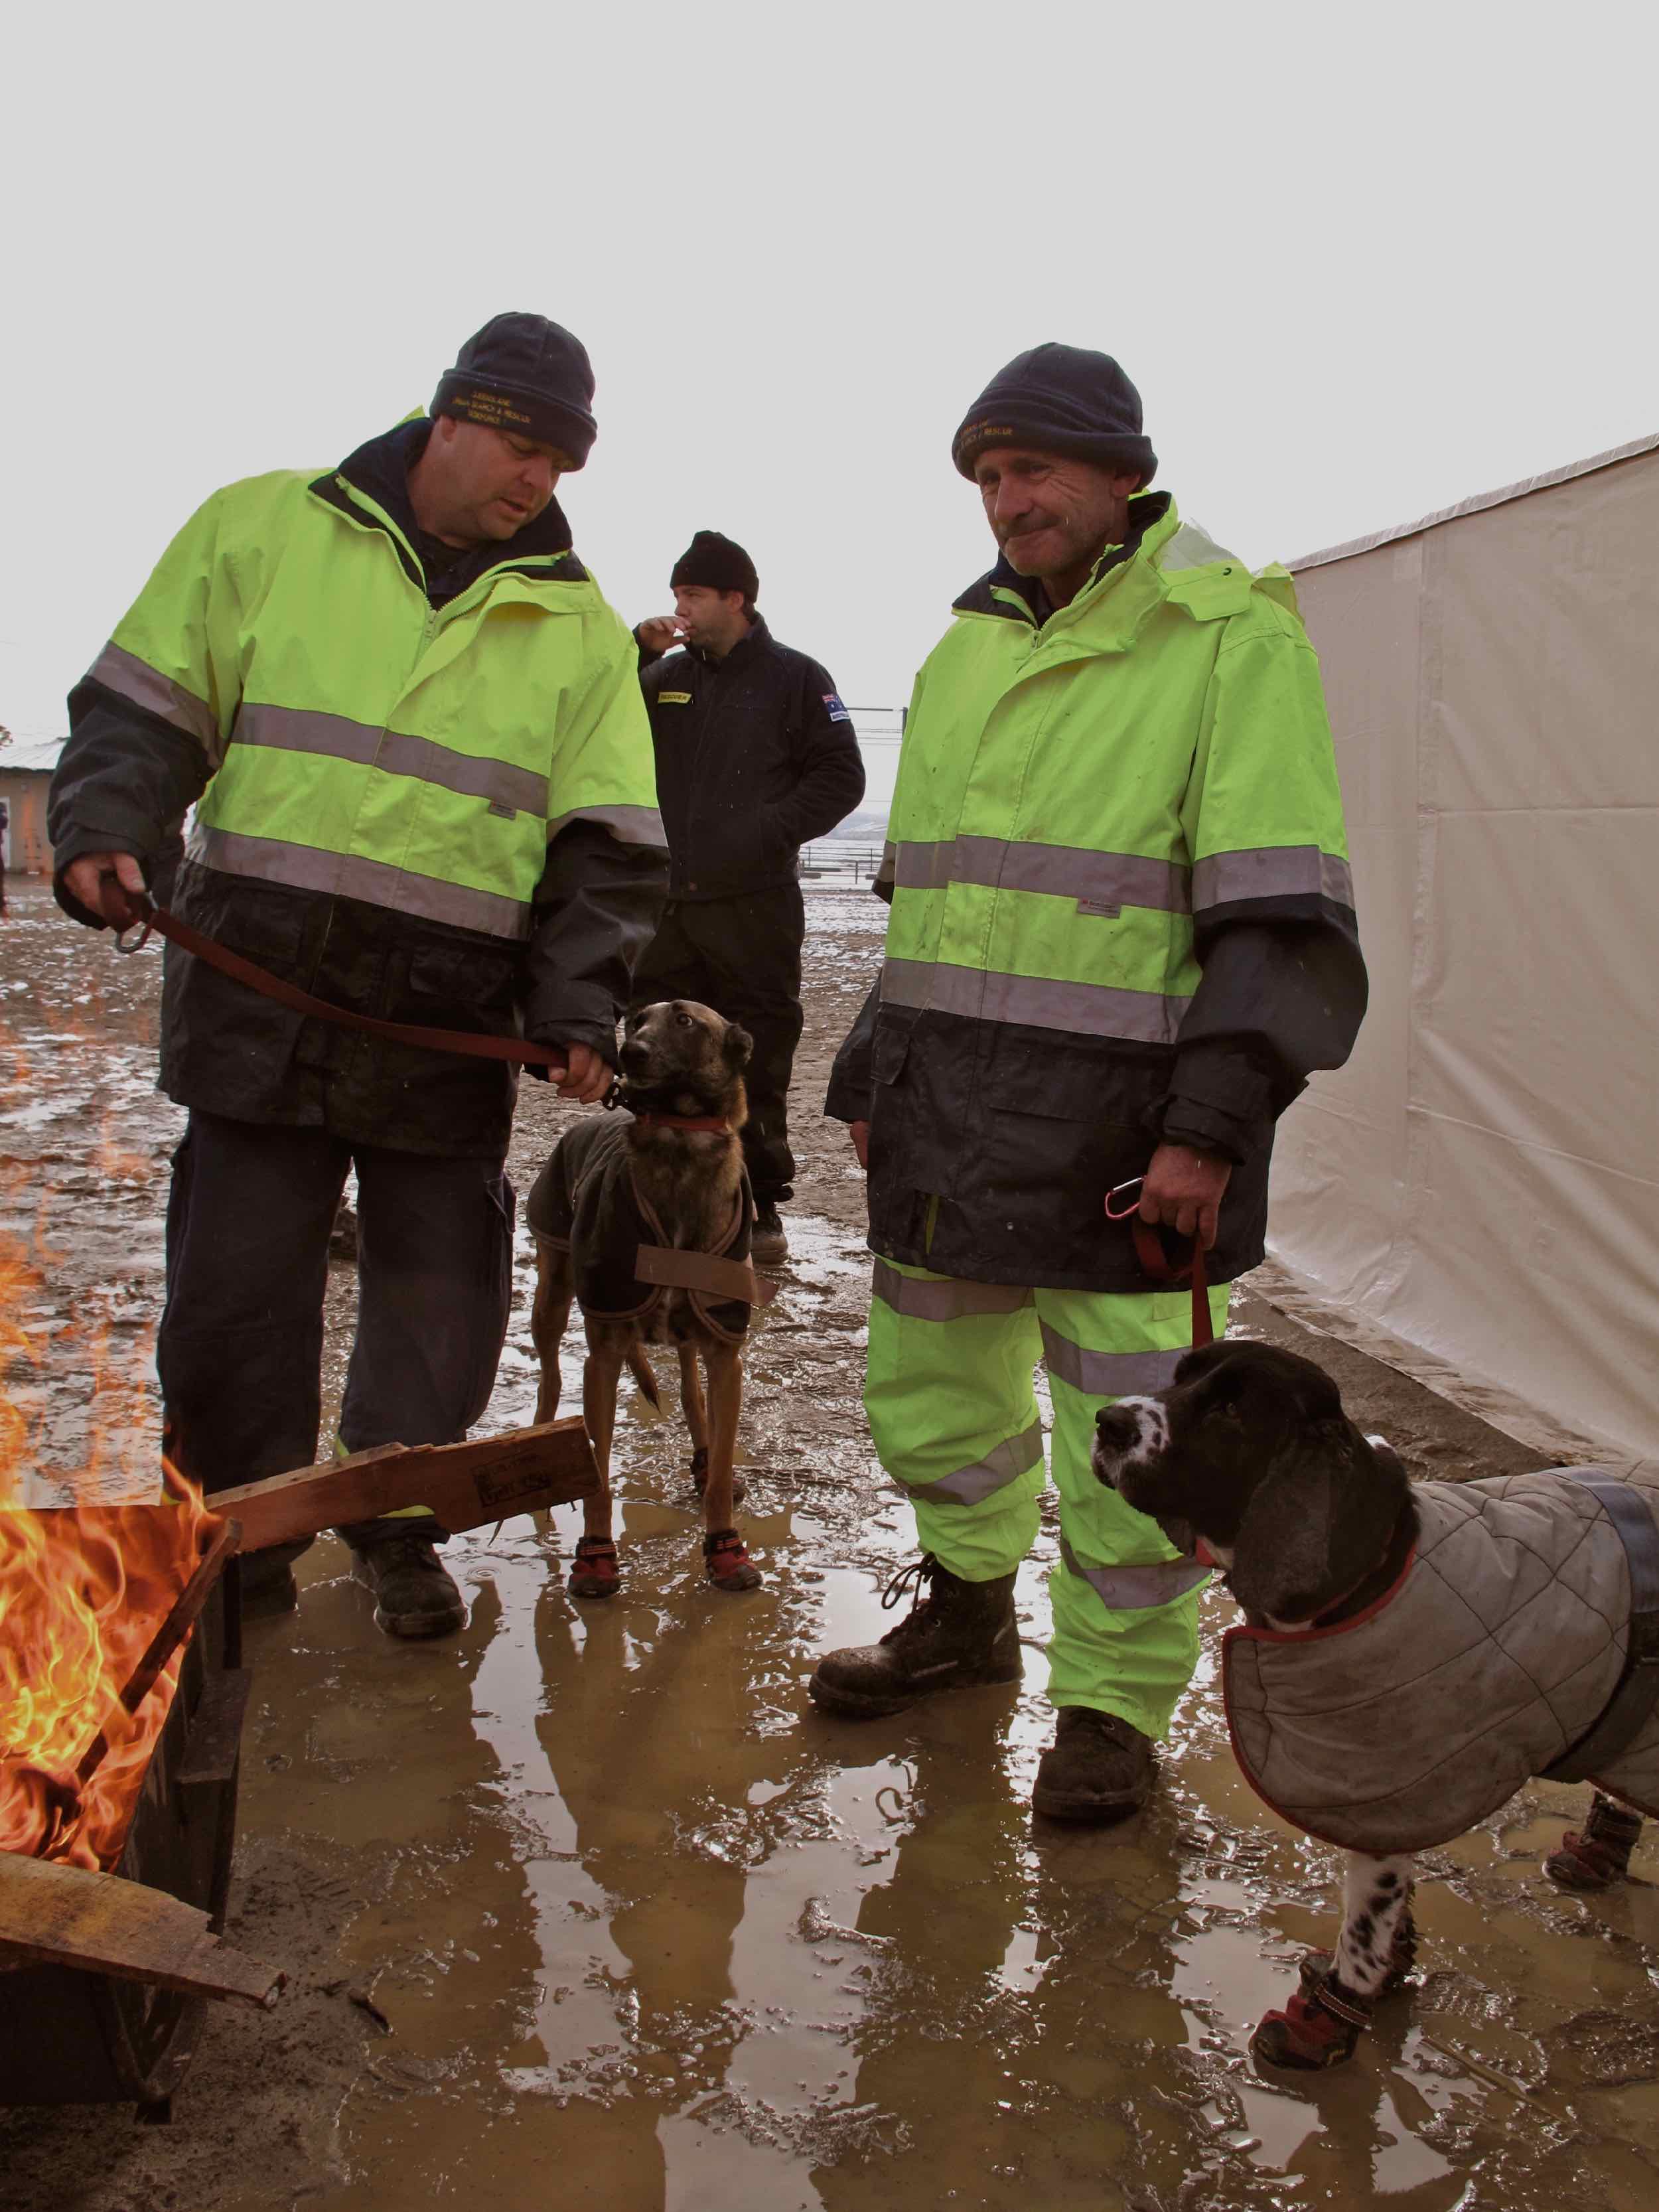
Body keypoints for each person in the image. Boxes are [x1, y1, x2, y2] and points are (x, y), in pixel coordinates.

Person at [48, 313, 668, 1639]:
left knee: (440, 1296)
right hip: (257, 985)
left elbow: (606, 844)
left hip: (452, 1014)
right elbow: (146, 709)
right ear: (450, 415)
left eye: (560, 461)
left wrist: (573, 1007)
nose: (536, 480)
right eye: (521, 444)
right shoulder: (262, 527)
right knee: (230, 1298)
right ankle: (239, 1533)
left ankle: (394, 1522)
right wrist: (106, 826)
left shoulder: (580, 627)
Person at [811, 344, 1367, 1820]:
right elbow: (925, 898)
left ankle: (1111, 1711)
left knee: (1139, 1433)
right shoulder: (961, 650)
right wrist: (874, 1064)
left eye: (1034, 470)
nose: (1007, 501)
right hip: (941, 1118)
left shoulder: (1225, 635)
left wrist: (1210, 1132)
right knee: (933, 1403)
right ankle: (966, 1613)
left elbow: (1273, 919)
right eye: (987, 479)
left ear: (1122, 472)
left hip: (1132, 1140)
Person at [633, 532, 865, 1264]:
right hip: (666, 909)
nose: (682, 610)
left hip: (753, 907)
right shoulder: (665, 676)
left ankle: (759, 1203)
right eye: (676, 596)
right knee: (654, 1058)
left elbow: (841, 776)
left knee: (753, 1060)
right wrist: (635, 656)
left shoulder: (795, 679)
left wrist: (767, 832)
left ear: (736, 598)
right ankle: (649, 1201)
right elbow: (597, 725)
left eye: (694, 596)